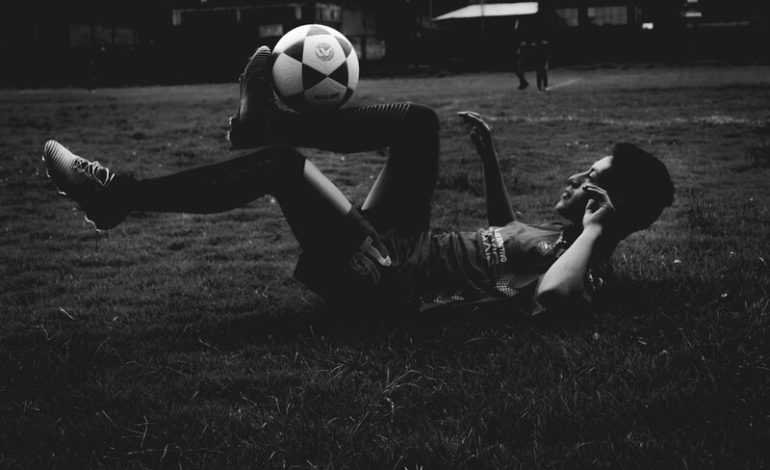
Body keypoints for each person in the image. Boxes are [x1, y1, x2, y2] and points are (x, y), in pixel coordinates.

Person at [42, 46, 674, 326]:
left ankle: (115, 196)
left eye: (589, 180)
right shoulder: (559, 241)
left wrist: (597, 230)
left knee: (281, 166)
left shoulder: (585, 269)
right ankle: (264, 123)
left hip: (387, 279)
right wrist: (489, 162)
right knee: (418, 124)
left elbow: (556, 298)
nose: (575, 178)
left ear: (604, 205)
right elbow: (503, 233)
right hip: (404, 244)